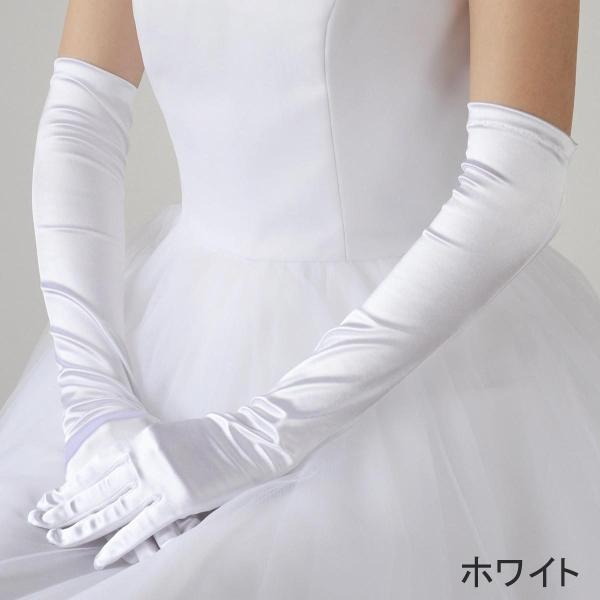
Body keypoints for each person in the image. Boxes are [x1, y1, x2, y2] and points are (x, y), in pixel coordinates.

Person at [1, 0, 598, 597]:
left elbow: (518, 183)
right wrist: (93, 398)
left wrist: (259, 437)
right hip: (166, 343)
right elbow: (82, 117)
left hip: (426, 357)